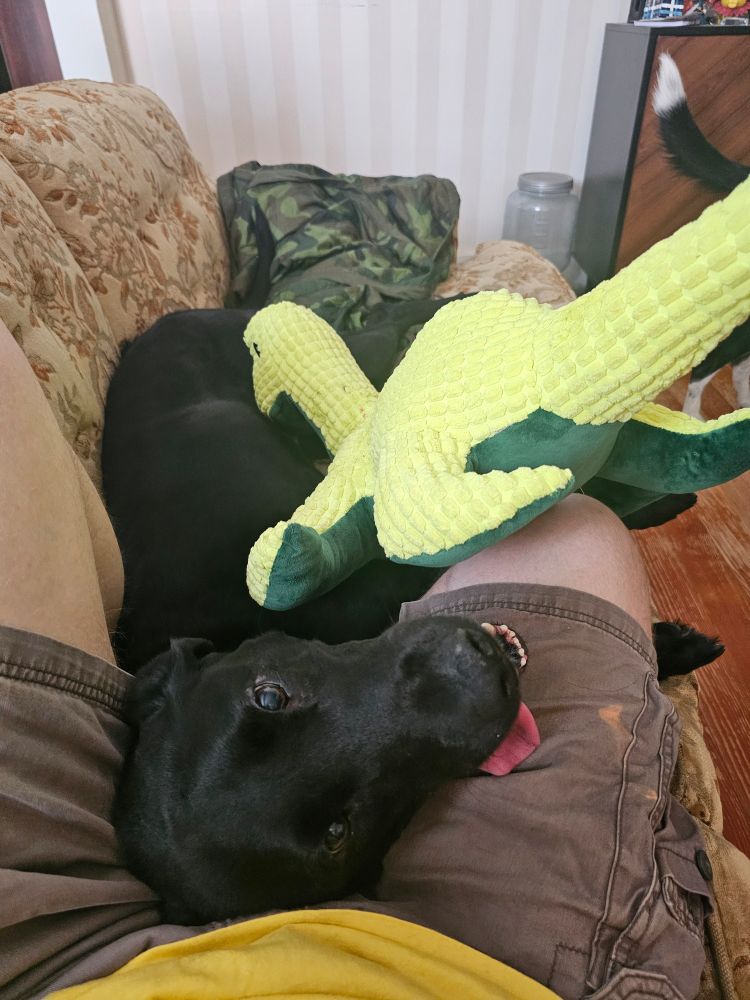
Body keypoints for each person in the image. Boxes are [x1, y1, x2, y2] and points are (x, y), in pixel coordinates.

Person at [0, 319, 711, 1000]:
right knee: (571, 525)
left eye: (273, 700)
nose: (460, 677)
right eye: (334, 828)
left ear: (186, 666)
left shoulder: (257, 590)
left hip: (50, 953)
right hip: (437, 967)